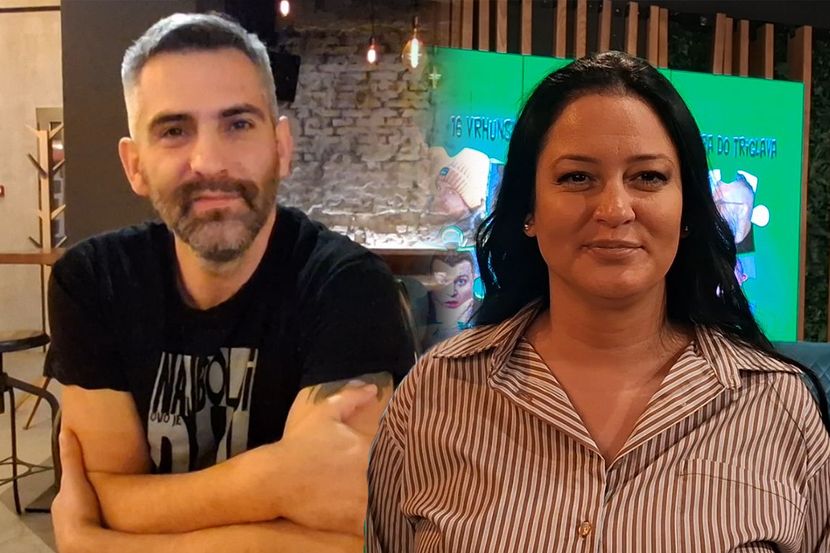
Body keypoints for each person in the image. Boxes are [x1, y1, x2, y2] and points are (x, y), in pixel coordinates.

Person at [367, 51, 829, 552]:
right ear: (529, 210)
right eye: (577, 177)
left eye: (648, 177)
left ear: (687, 210)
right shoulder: (434, 395)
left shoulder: (779, 406)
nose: (614, 209)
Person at [47, 12, 414, 552]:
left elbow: (345, 532)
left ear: (281, 147)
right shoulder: (93, 282)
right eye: (174, 130)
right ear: (135, 165)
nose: (209, 162)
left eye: (238, 124)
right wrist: (275, 480)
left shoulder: (350, 289)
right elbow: (104, 496)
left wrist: (100, 544)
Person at [423, 252, 476, 349]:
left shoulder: (486, 313)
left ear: (473, 280)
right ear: (430, 281)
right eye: (442, 281)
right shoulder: (417, 312)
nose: (451, 292)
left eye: (461, 281)